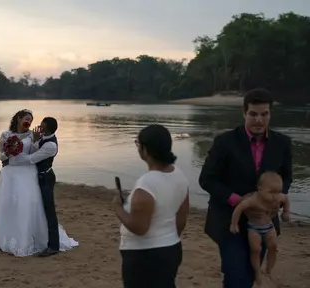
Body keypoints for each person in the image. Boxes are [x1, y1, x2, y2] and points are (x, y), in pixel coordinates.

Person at [199, 88, 292, 288]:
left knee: (250, 275)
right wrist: (237, 200)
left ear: (270, 113)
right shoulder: (224, 142)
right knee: (235, 277)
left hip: (263, 221)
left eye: (264, 114)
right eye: (253, 114)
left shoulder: (283, 143)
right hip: (229, 220)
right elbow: (207, 179)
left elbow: (287, 177)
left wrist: (277, 199)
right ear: (244, 113)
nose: (259, 120)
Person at [113, 124, 189, 288]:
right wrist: (168, 237)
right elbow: (182, 217)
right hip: (171, 248)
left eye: (138, 144)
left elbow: (139, 227)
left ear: (145, 149)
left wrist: (118, 208)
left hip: (144, 255)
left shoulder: (146, 184)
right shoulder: (179, 175)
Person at [0, 110, 78, 257]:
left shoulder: (32, 136)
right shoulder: (5, 135)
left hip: (27, 174)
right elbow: (1, 156)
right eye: (27, 119)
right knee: (9, 206)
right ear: (19, 119)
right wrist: (8, 153)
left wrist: (32, 142)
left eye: (31, 120)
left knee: (27, 206)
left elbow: (32, 154)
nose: (29, 122)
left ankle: (31, 240)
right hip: (10, 176)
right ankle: (7, 240)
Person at [230, 171, 290, 287]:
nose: (275, 196)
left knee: (273, 246)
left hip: (269, 226)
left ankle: (269, 269)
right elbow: (239, 208)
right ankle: (257, 272)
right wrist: (234, 224)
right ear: (260, 189)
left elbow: (286, 199)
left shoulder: (279, 198)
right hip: (254, 228)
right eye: (271, 192)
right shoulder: (253, 200)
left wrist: (286, 212)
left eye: (278, 192)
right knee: (256, 249)